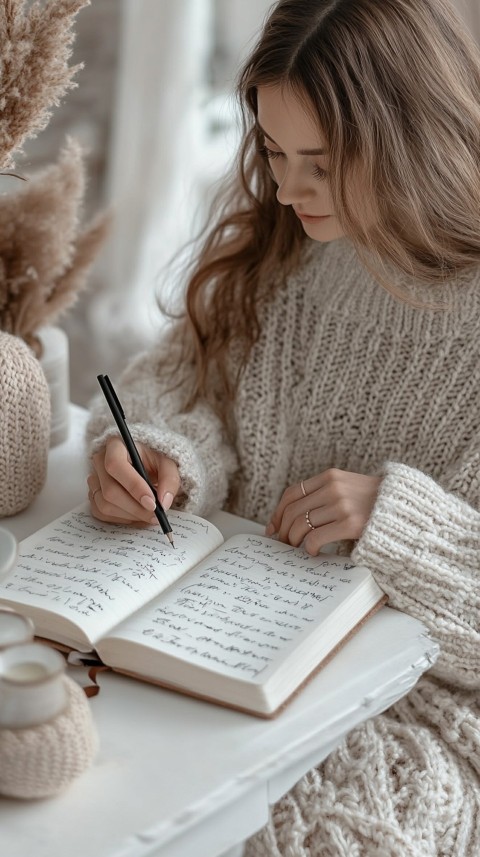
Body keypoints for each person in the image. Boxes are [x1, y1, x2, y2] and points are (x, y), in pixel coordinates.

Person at [86, 0, 480, 853]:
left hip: (416, 705)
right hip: (225, 650)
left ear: (415, 140)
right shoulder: (287, 255)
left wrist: (397, 522)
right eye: (272, 151)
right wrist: (166, 457)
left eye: (322, 163)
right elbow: (184, 385)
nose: (287, 188)